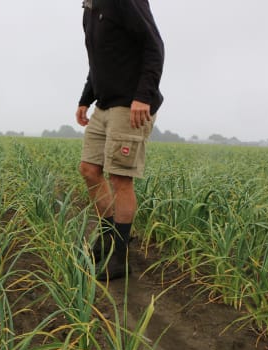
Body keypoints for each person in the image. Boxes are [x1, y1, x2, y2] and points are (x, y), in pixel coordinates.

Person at [76, 0, 164, 280]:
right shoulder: (90, 8)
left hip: (130, 104)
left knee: (120, 179)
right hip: (104, 103)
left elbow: (154, 47)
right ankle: (108, 238)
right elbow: (99, 61)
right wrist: (85, 98)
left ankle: (119, 258)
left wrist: (143, 96)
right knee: (89, 170)